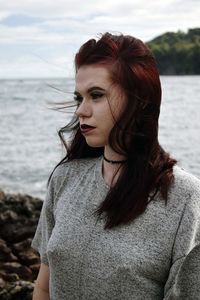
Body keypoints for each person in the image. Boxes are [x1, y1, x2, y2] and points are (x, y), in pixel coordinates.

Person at [31, 32, 200, 300]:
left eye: (96, 95)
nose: (80, 111)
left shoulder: (185, 198)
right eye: (79, 97)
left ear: (138, 99)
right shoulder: (64, 179)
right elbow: (43, 287)